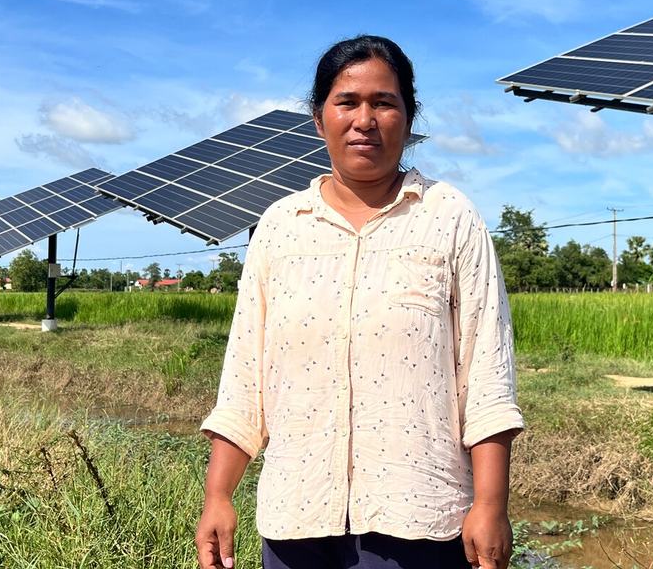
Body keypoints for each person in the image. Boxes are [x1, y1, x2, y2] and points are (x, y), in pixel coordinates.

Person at [195, 35, 525, 569]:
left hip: (421, 523)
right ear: (318, 117)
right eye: (347, 102)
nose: (364, 119)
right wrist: (218, 495)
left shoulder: (449, 217)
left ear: (409, 116)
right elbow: (245, 377)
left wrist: (490, 505)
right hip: (295, 519)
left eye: (384, 103)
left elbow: (486, 376)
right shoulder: (280, 228)